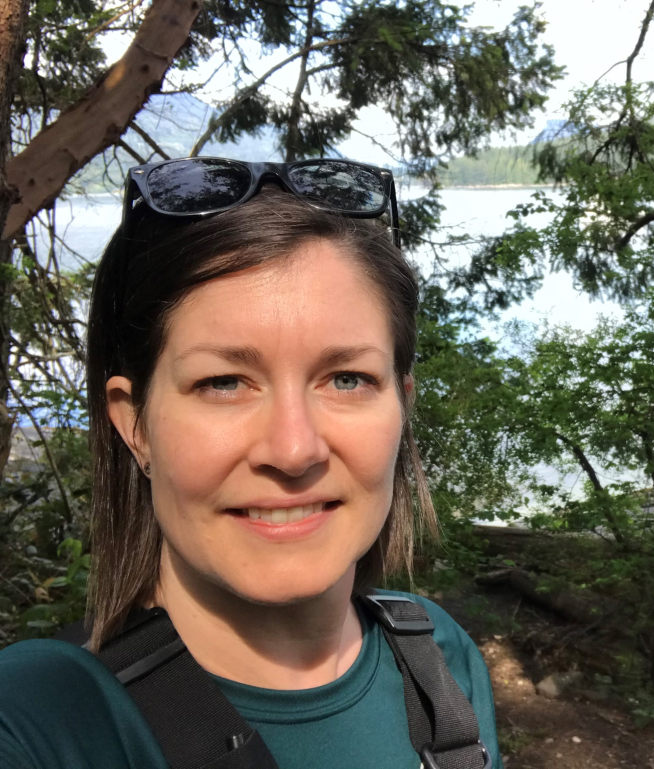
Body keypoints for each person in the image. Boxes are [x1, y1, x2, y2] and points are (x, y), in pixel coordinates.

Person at [0, 158, 502, 769]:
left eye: (346, 379)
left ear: (402, 406)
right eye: (223, 383)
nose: (293, 450)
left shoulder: (439, 662)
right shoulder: (42, 717)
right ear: (135, 423)